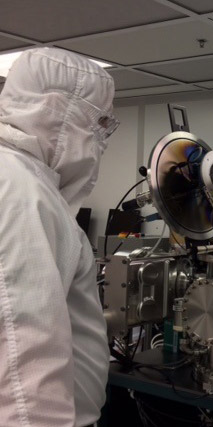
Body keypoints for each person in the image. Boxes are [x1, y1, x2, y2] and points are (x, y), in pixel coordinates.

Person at [0, 48, 117, 426]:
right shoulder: (22, 193)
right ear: (61, 113)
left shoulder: (21, 181)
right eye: (99, 124)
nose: (101, 141)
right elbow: (23, 370)